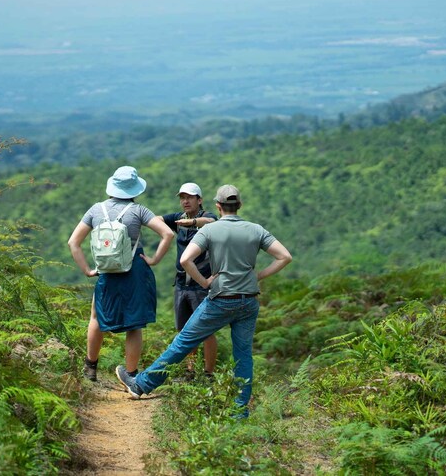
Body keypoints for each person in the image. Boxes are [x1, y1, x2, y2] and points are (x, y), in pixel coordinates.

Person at [116, 184, 292, 417]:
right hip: (248, 300)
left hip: (220, 298)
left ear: (218, 206)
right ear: (239, 205)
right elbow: (284, 257)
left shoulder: (210, 231)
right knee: (243, 355)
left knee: (183, 342)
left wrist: (205, 282)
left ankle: (141, 384)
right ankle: (239, 412)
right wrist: (257, 276)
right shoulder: (256, 230)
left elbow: (187, 259)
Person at [68, 166, 174, 382]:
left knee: (96, 317)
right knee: (134, 324)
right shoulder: (139, 211)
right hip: (134, 269)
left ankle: (90, 368)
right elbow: (168, 233)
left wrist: (88, 270)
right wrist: (154, 260)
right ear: (134, 190)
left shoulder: (95, 210)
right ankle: (132, 374)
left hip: (106, 269)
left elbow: (73, 242)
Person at [161, 182, 218, 377]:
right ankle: (190, 371)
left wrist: (192, 223)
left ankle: (209, 374)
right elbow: (155, 220)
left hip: (202, 284)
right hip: (181, 284)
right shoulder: (178, 219)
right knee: (185, 330)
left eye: (190, 197)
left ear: (199, 200)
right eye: (182, 198)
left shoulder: (207, 217)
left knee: (207, 330)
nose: (185, 201)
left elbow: (213, 223)